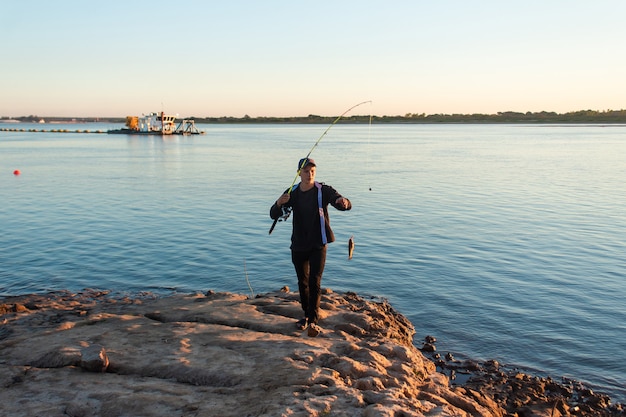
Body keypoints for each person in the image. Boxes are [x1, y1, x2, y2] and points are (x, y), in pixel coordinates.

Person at [270, 157, 352, 337]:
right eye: (306, 171)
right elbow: (273, 214)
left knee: (315, 282)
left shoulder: (323, 190)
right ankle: (306, 314)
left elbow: (341, 201)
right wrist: (279, 203)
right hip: (298, 244)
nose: (310, 174)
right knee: (303, 282)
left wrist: (343, 202)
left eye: (313, 171)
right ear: (299, 173)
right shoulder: (292, 192)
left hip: (318, 243)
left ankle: (313, 320)